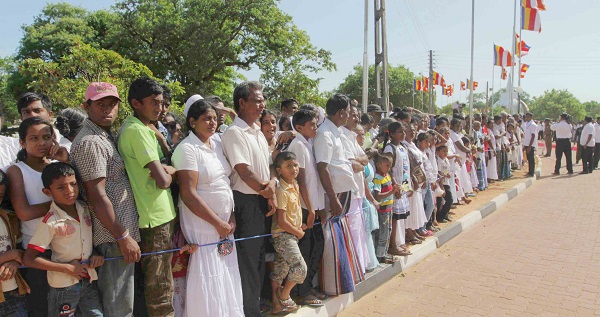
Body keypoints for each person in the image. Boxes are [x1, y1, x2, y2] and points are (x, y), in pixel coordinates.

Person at [69, 81, 141, 317]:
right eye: (101, 104)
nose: (108, 109)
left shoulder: (103, 137)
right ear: (86, 106)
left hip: (117, 236)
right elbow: (97, 196)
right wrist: (123, 236)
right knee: (118, 307)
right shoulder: (91, 142)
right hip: (112, 237)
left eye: (112, 104)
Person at [171, 99, 242, 316]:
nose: (212, 123)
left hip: (224, 224)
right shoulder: (187, 149)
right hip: (202, 223)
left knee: (225, 271)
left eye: (214, 118)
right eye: (206, 119)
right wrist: (217, 222)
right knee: (207, 271)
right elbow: (189, 194)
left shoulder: (218, 144)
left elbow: (225, 183)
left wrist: (230, 218)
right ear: (192, 122)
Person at [118, 77, 177, 317]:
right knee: (160, 288)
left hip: (159, 215)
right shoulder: (136, 130)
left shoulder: (142, 128)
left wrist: (161, 139)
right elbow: (162, 180)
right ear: (136, 103)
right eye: (153, 102)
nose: (159, 108)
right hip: (154, 218)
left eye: (161, 103)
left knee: (160, 284)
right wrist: (172, 172)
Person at [221, 81, 277, 317]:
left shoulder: (257, 132)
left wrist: (272, 186)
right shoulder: (234, 132)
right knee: (248, 260)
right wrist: (268, 191)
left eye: (263, 99)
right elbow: (243, 170)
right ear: (241, 103)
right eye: (256, 99)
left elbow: (269, 167)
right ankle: (249, 310)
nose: (262, 104)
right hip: (246, 202)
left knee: (260, 257)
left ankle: (255, 305)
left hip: (263, 200)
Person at [23, 162, 104, 316]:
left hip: (88, 280)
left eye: (73, 184)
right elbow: (29, 259)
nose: (70, 191)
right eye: (61, 187)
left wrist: (95, 255)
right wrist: (67, 268)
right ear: (47, 191)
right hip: (62, 286)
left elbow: (84, 243)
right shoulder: (50, 222)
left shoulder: (85, 209)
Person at [7, 117, 69, 317]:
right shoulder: (17, 171)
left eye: (46, 137)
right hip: (37, 254)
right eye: (34, 138)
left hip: (67, 250)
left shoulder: (59, 167)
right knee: (41, 309)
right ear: (22, 143)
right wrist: (59, 204)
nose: (41, 143)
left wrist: (64, 160)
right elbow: (24, 213)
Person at [314, 93, 362, 296]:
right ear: (341, 113)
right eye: (349, 112)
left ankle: (343, 279)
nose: (351, 116)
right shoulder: (325, 133)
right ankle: (331, 285)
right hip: (333, 195)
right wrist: (332, 198)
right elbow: (323, 167)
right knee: (331, 240)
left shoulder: (338, 132)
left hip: (344, 192)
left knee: (340, 237)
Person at [286, 109, 326, 306]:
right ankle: (301, 291)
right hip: (303, 208)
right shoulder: (298, 146)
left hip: (313, 206)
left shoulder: (308, 144)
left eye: (316, 123)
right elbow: (301, 181)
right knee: (306, 249)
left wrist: (318, 208)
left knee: (317, 246)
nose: (315, 127)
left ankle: (307, 286)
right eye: (311, 124)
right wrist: (310, 210)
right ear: (299, 127)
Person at [268, 151, 307, 314]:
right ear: (279, 170)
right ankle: (284, 296)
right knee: (300, 268)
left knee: (279, 272)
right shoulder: (281, 190)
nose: (294, 169)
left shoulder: (294, 185)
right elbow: (282, 221)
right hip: (284, 236)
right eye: (288, 166)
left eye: (295, 165)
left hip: (291, 235)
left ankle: (277, 306)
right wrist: (299, 232)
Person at [0, 170, 29, 316]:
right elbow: (16, 252)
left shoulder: (9, 218)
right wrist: (12, 254)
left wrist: (15, 262)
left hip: (13, 293)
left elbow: (21, 252)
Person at [382, 122, 411, 256]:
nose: (403, 134)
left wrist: (406, 187)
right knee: (394, 217)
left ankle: (399, 242)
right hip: (395, 188)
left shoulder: (402, 147)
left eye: (404, 132)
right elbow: (389, 169)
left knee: (400, 217)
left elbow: (405, 168)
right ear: (392, 134)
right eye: (400, 132)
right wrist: (396, 187)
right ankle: (392, 245)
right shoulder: (390, 148)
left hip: (402, 186)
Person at [371, 153, 401, 264]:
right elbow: (378, 195)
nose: (388, 168)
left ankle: (383, 253)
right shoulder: (378, 178)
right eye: (386, 165)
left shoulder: (386, 175)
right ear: (378, 165)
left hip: (389, 208)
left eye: (390, 166)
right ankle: (380, 255)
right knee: (382, 233)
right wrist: (392, 191)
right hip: (382, 210)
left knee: (388, 231)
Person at [436, 145, 453, 223]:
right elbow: (439, 173)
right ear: (438, 152)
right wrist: (442, 187)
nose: (445, 153)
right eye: (443, 151)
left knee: (447, 200)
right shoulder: (438, 161)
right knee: (447, 199)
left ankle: (445, 215)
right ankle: (440, 217)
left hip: (447, 182)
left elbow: (447, 170)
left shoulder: (446, 160)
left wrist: (448, 174)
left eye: (446, 151)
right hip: (442, 183)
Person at [522, 113, 537, 177]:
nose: (526, 118)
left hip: (530, 144)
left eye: (528, 117)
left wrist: (530, 146)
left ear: (531, 117)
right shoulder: (526, 124)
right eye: (526, 117)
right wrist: (524, 145)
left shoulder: (533, 125)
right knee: (528, 158)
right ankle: (529, 171)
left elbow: (533, 136)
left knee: (531, 159)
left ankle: (531, 172)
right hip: (526, 143)